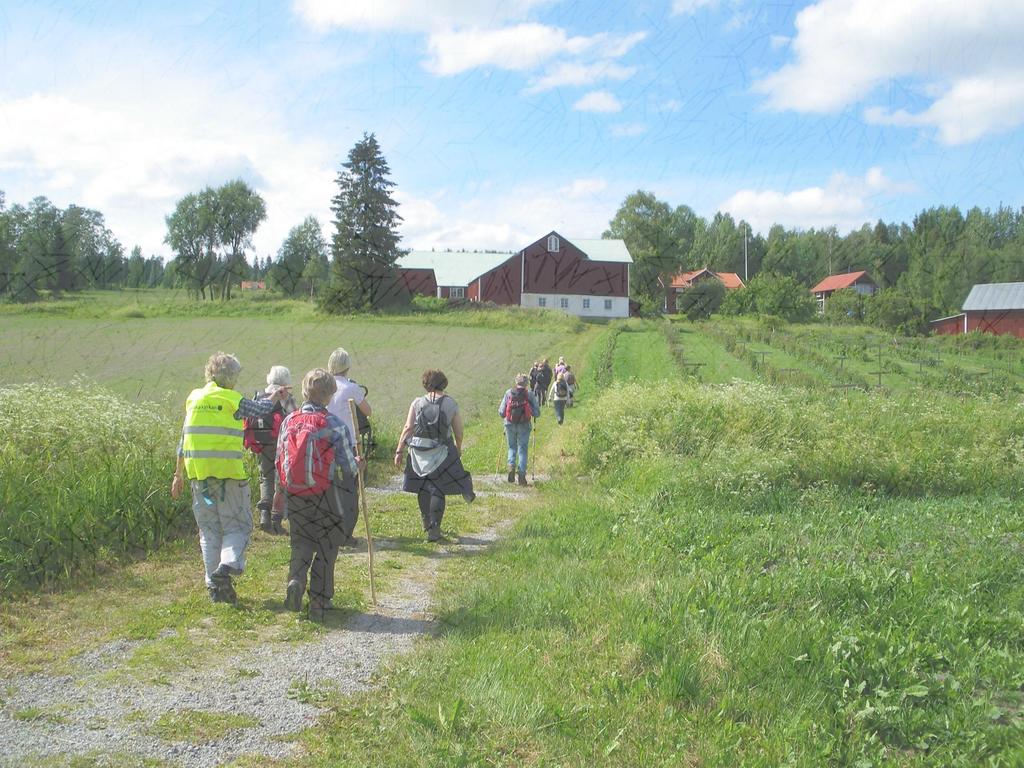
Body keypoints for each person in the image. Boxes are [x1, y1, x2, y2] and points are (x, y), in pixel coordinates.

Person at [171, 352, 289, 604]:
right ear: (232, 377)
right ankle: (227, 566)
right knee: (238, 526)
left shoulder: (193, 398)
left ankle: (214, 586)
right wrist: (276, 396)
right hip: (229, 477)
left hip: (199, 477)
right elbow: (263, 409)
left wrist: (177, 474)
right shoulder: (232, 399)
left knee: (209, 530)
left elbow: (183, 440)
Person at [279, 368, 363, 622]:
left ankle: (295, 579)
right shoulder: (334, 425)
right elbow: (348, 467)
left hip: (294, 493)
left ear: (305, 391)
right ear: (329, 395)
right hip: (326, 493)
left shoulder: (288, 422)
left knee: (301, 541)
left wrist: (278, 494)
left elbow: (278, 460)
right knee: (327, 546)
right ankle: (319, 602)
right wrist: (359, 463)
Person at [394, 369, 475, 542]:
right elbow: (459, 432)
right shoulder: (450, 404)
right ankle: (435, 528)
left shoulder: (417, 402)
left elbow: (408, 428)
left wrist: (399, 450)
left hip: (418, 453)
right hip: (441, 452)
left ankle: (426, 522)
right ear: (444, 382)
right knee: (438, 489)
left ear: (426, 384)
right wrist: (458, 448)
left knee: (423, 488)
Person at [325, 347, 370, 544]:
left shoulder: (323, 385)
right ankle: (346, 533)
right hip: (347, 443)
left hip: (324, 443)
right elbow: (368, 411)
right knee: (349, 489)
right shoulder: (351, 387)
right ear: (347, 366)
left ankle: (329, 529)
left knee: (329, 487)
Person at [245, 365, 298, 534]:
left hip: (261, 443)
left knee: (265, 477)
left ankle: (264, 517)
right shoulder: (286, 397)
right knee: (282, 480)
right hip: (280, 443)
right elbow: (294, 419)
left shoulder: (259, 395)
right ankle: (277, 519)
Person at [498, 373, 541, 486]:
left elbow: (501, 412)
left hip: (509, 424)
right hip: (524, 425)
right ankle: (522, 476)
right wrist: (529, 407)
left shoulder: (508, 393)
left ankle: (511, 467)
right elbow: (537, 413)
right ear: (526, 383)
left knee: (512, 447)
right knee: (522, 449)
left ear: (516, 382)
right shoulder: (529, 394)